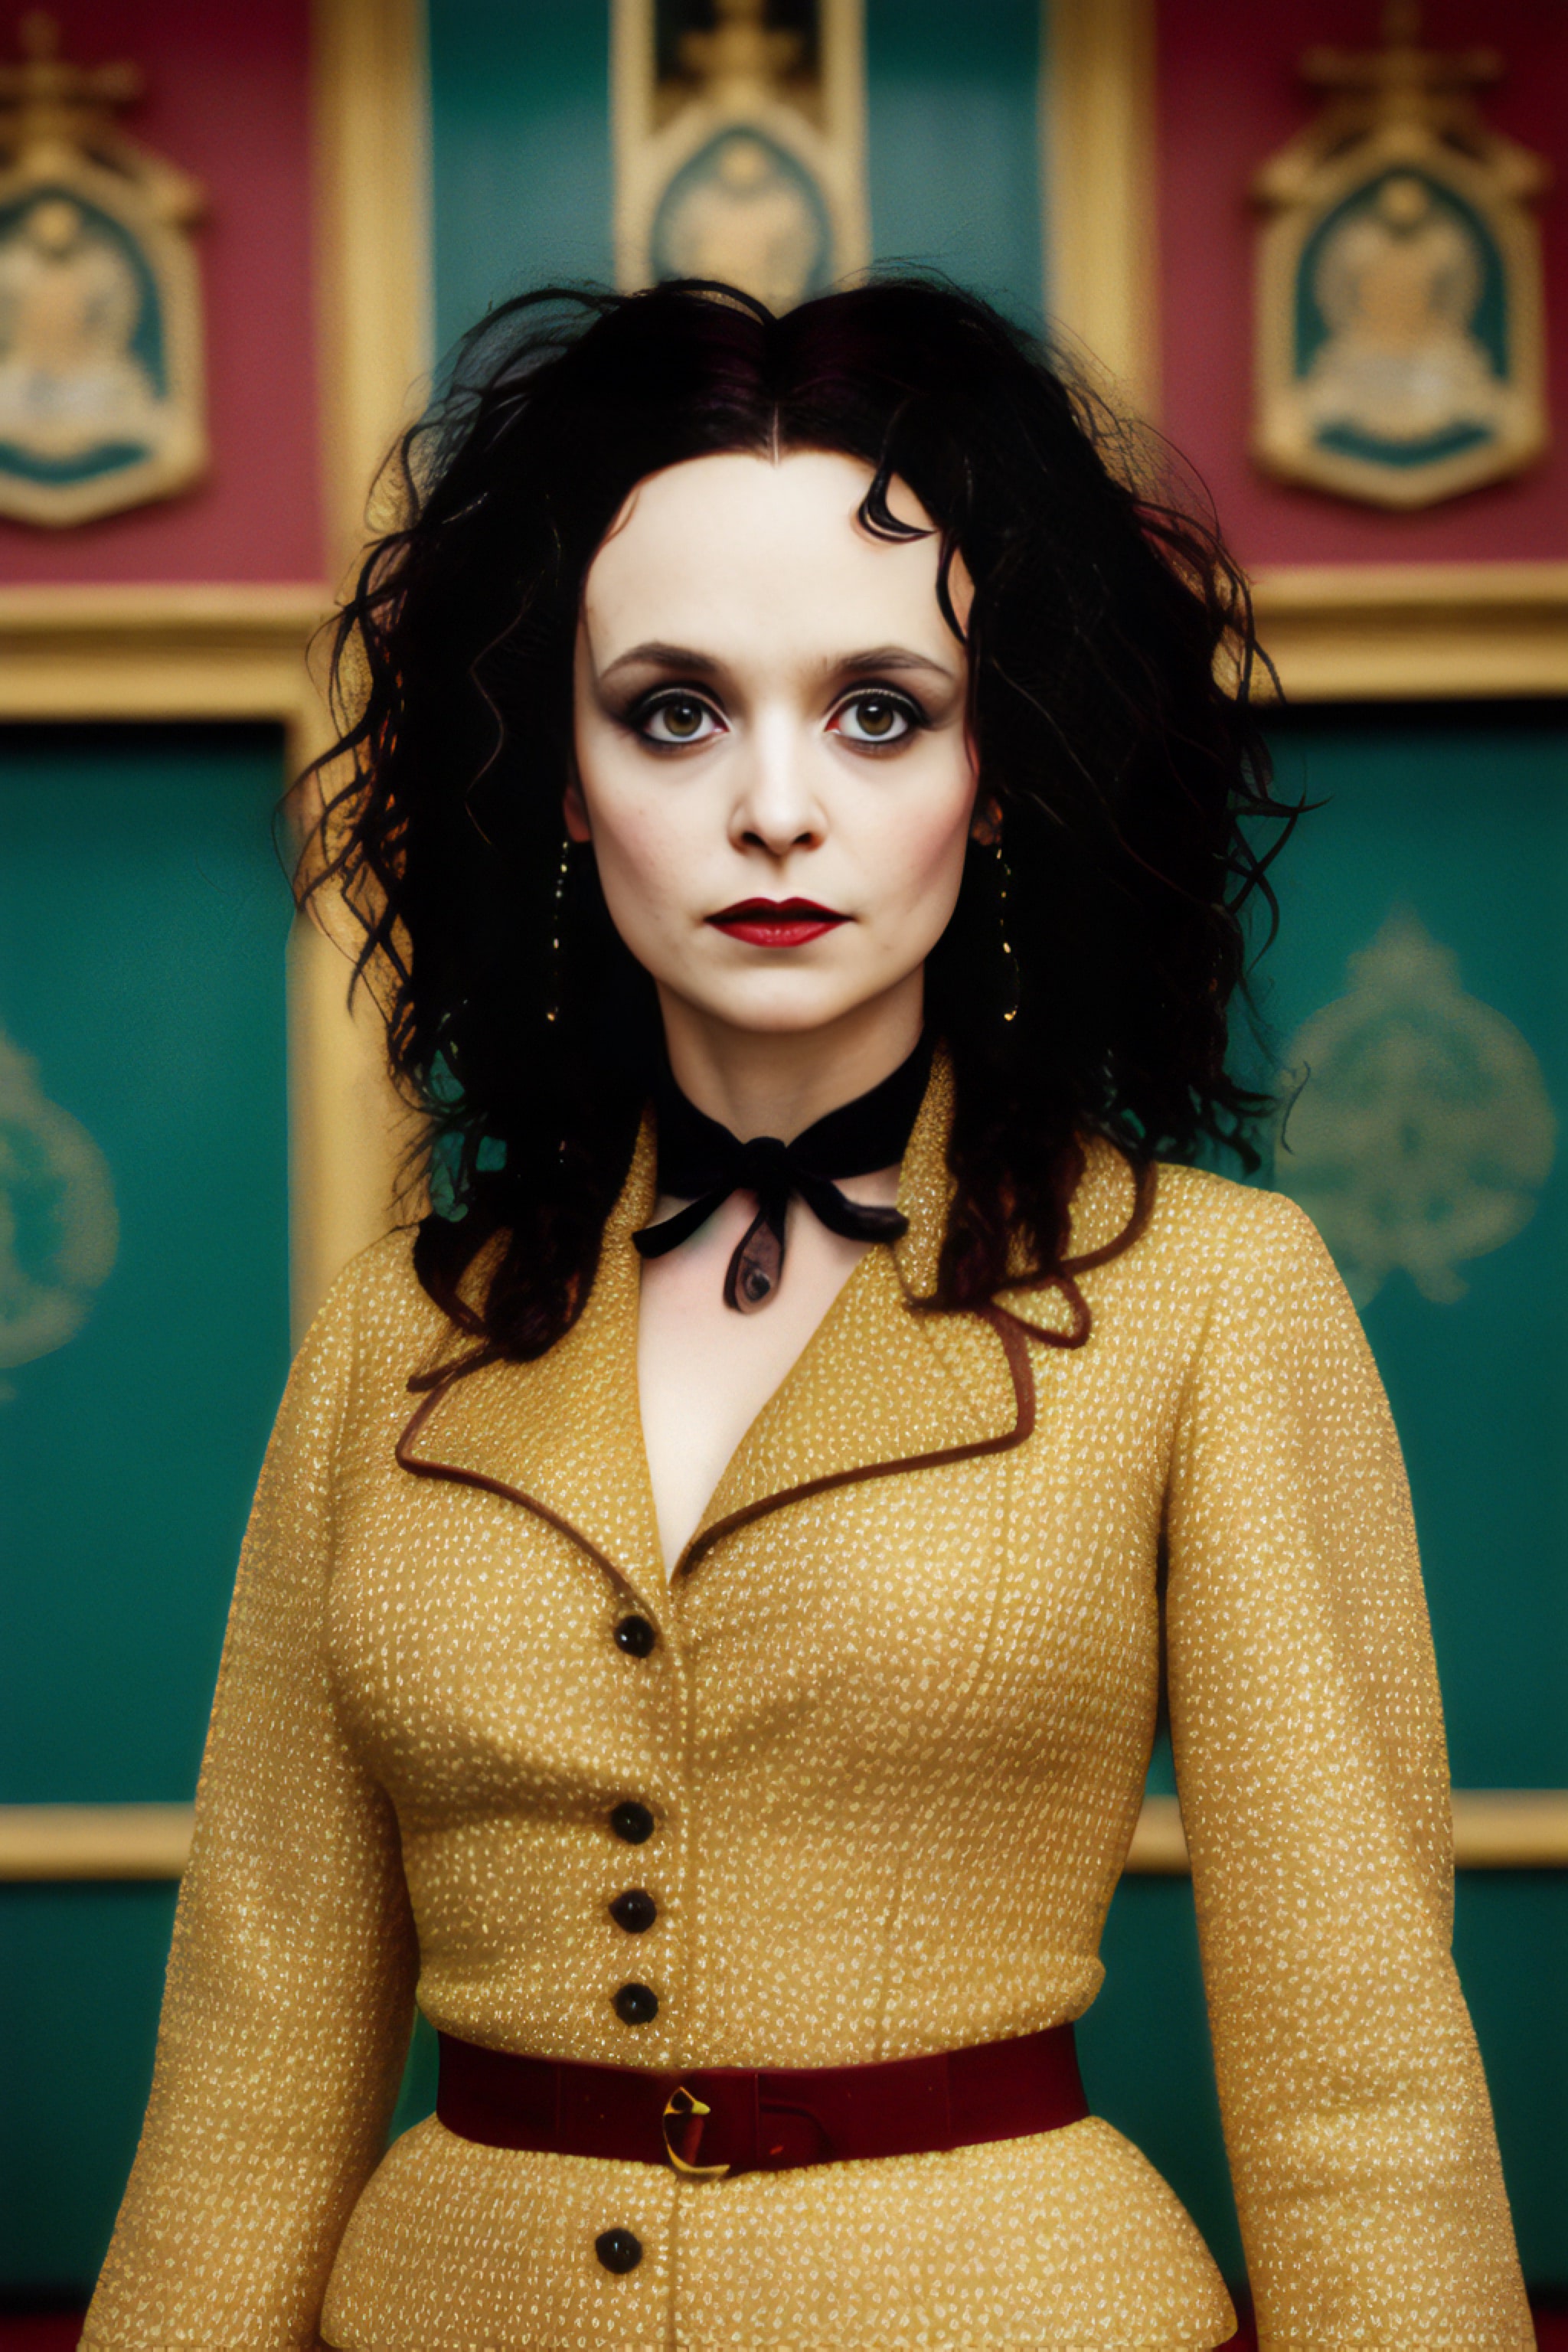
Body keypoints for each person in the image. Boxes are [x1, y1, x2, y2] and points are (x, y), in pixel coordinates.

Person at [84, 279, 1530, 2350]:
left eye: (882, 709)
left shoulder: (1217, 1302)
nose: (778, 803)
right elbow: (250, 2043)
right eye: (673, 708)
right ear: (561, 779)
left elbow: (1359, 2064)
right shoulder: (387, 1337)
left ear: (1002, 768)